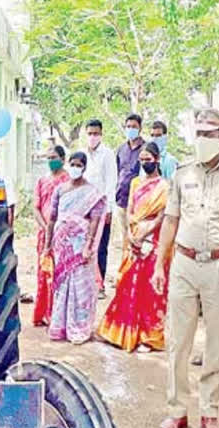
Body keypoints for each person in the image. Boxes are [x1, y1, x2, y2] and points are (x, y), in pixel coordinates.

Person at [151, 108, 219, 428]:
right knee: (178, 342)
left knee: (216, 343)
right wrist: (160, 263)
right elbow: (170, 220)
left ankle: (210, 412)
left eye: (210, 134)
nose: (202, 140)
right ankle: (176, 410)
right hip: (184, 263)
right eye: (198, 133)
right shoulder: (183, 173)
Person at [98, 142, 171, 353]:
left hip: (153, 242)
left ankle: (149, 337)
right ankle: (121, 332)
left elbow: (161, 216)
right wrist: (131, 233)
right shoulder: (136, 183)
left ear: (157, 160)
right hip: (134, 237)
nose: (145, 163)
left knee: (149, 290)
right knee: (128, 285)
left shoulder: (165, 186)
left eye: (148, 160)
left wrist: (144, 234)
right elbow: (130, 208)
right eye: (142, 160)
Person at [43, 152, 106, 344]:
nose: (75, 167)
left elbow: (95, 221)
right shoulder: (60, 190)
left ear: (84, 167)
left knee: (81, 286)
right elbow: (52, 218)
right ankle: (60, 326)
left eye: (79, 164)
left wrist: (88, 245)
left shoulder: (91, 192)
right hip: (62, 244)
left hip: (80, 245)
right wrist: (47, 245)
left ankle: (80, 327)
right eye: (72, 164)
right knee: (61, 284)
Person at [32, 146, 70, 326]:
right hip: (44, 234)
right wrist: (45, 226)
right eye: (48, 158)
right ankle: (42, 314)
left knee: (60, 275)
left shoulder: (69, 181)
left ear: (63, 159)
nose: (50, 161)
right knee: (43, 273)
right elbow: (36, 207)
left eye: (53, 157)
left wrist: (57, 228)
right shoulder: (42, 180)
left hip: (62, 235)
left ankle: (56, 315)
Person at [84, 119, 117, 299]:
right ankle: (87, 282)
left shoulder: (107, 154)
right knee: (85, 245)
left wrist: (110, 208)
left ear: (101, 134)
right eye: (90, 133)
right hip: (84, 209)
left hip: (102, 207)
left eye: (96, 133)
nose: (93, 137)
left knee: (101, 246)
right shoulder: (82, 154)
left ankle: (100, 284)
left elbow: (112, 182)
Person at [115, 113, 146, 257]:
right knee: (124, 236)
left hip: (138, 203)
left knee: (138, 237)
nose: (131, 129)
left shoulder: (145, 150)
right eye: (128, 126)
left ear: (140, 128)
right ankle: (125, 269)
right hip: (121, 200)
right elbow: (117, 172)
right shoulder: (121, 149)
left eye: (134, 126)